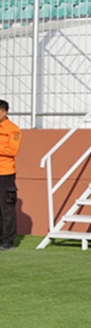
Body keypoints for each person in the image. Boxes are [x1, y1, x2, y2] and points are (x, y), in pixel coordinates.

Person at [0, 99, 22, 251]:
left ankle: (7, 241)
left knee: (6, 207)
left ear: (4, 112)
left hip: (5, 173)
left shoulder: (13, 130)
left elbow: (13, 150)